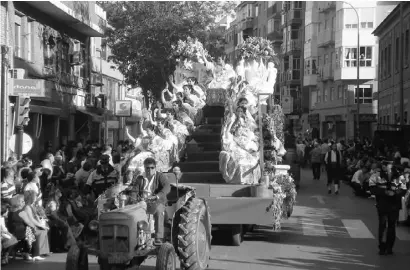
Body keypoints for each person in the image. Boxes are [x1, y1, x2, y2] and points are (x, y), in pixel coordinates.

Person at [128, 158, 170, 245]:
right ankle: (133, 237)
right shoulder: (140, 178)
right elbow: (134, 191)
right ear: (144, 168)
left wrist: (157, 196)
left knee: (159, 211)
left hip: (157, 202)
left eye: (152, 167)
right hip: (142, 203)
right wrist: (133, 200)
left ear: (155, 168)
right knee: (131, 213)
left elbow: (167, 187)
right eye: (147, 168)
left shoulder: (160, 176)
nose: (149, 170)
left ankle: (158, 238)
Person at [369, 163, 407, 255]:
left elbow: (404, 189)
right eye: (385, 167)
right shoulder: (377, 176)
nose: (388, 170)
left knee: (391, 226)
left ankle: (390, 247)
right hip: (382, 204)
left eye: (390, 168)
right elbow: (372, 188)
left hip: (394, 205)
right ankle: (382, 247)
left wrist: (395, 193)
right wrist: (384, 192)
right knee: (382, 225)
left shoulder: (400, 177)